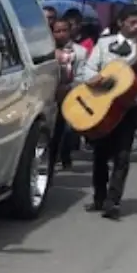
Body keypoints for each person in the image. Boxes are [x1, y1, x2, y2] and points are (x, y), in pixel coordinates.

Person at [82, 3, 137, 219]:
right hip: (102, 106)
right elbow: (88, 68)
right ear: (121, 22)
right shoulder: (104, 44)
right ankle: (99, 196)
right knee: (100, 154)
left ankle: (113, 201)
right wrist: (93, 79)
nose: (136, 27)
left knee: (123, 156)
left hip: (128, 108)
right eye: (132, 22)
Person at [50, 16, 87, 173]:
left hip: (71, 94)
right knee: (54, 130)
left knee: (68, 129)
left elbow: (83, 75)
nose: (61, 34)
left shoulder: (80, 52)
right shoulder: (48, 51)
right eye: (57, 31)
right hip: (50, 95)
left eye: (64, 30)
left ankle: (65, 156)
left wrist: (71, 87)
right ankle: (52, 159)